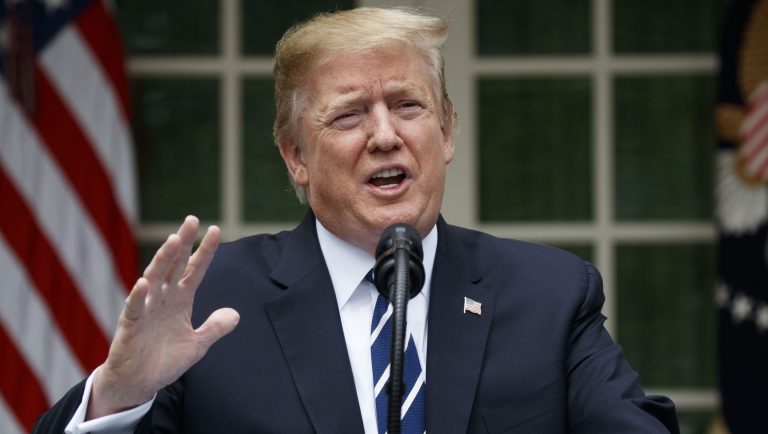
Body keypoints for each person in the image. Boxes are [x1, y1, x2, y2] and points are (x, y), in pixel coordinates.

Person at [34, 7, 679, 434]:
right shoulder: (214, 302)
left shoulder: (548, 294)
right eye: (348, 116)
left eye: (408, 105)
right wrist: (119, 395)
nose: (384, 136)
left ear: (448, 131)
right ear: (296, 158)